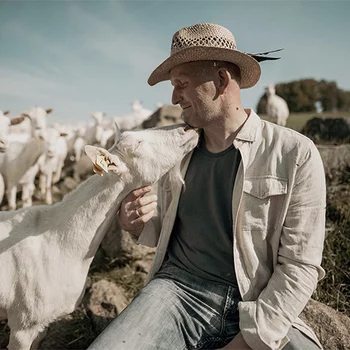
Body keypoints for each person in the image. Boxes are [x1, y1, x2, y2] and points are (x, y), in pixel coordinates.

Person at [88, 23, 326, 350]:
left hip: (257, 301)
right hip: (175, 292)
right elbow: (165, 228)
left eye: (181, 84)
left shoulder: (294, 153)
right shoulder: (174, 149)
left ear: (222, 81)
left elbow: (300, 267)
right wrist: (136, 225)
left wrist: (248, 341)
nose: (173, 97)